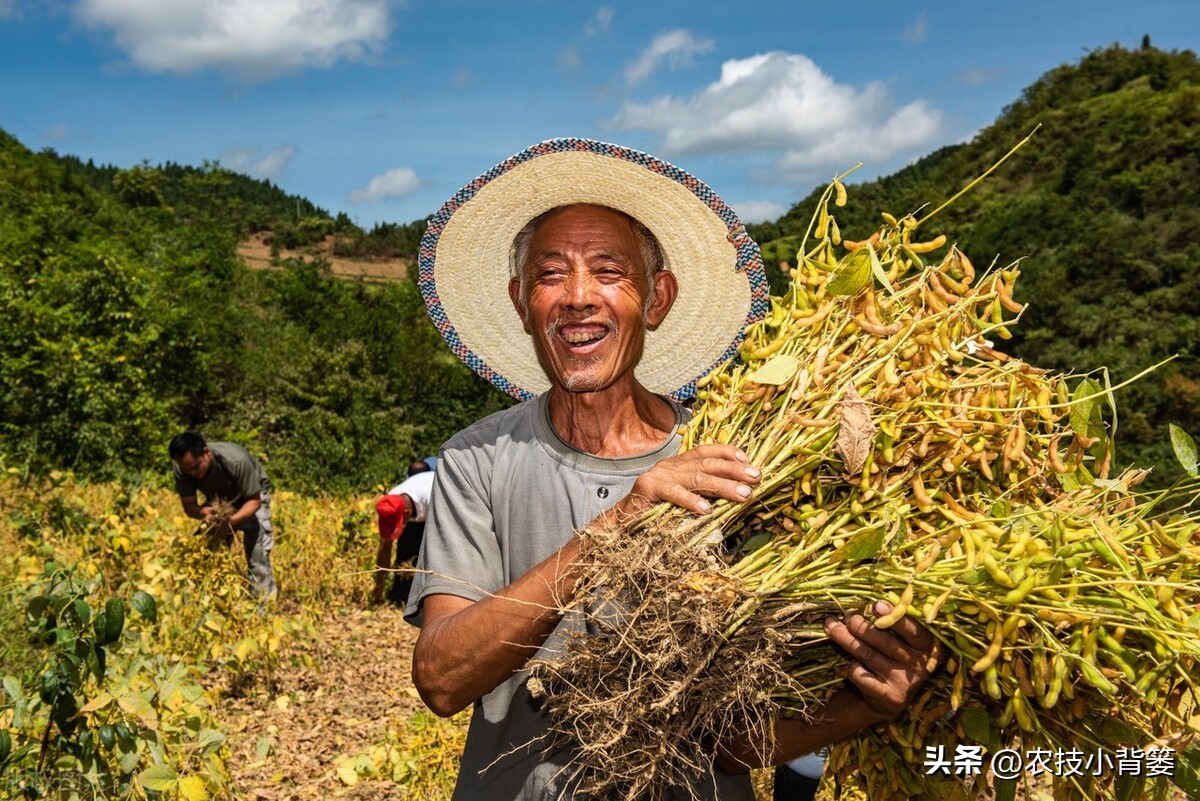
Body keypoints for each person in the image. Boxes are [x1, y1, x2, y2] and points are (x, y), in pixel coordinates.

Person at [404, 138, 937, 800]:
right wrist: (620, 523)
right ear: (521, 301)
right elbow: (443, 677)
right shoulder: (476, 460)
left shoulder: (739, 461)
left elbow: (734, 741)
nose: (576, 296)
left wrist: (867, 704)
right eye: (549, 275)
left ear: (656, 299)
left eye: (607, 271)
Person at [169, 431, 278, 598]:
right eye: (186, 469)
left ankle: (263, 607)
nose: (191, 472)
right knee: (206, 551)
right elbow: (190, 507)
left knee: (258, 552)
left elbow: (254, 501)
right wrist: (206, 512)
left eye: (195, 466)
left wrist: (230, 523)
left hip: (251, 494)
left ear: (206, 453)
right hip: (218, 500)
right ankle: (210, 602)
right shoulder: (182, 468)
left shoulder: (235, 460)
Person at [372, 456, 437, 605]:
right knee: (405, 550)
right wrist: (379, 585)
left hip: (441, 504)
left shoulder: (433, 497)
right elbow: (385, 547)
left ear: (407, 514)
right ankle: (401, 596)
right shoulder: (390, 502)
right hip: (418, 508)